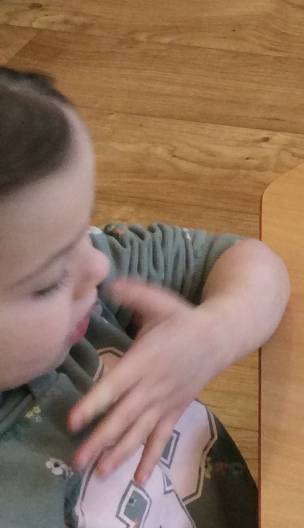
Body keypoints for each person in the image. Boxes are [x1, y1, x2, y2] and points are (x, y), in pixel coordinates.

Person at [0, 67, 289, 526]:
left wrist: (216, 333)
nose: (96, 266)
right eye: (50, 279)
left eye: (83, 229)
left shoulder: (91, 277)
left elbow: (249, 262)